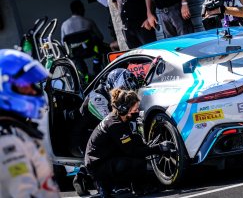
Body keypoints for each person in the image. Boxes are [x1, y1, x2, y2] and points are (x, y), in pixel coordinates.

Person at [84, 88, 175, 197]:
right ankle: (130, 187)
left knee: (137, 140)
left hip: (103, 158)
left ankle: (134, 186)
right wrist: (159, 148)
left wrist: (149, 147)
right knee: (136, 161)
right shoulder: (114, 124)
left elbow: (133, 142)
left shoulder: (119, 118)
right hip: (97, 166)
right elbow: (133, 151)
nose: (137, 111)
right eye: (135, 109)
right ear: (124, 108)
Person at [0, 49, 60, 197]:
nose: (34, 92)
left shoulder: (16, 130)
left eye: (32, 86)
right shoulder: (7, 140)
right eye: (25, 86)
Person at [71, 68, 140, 196]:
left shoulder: (112, 96)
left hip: (96, 137)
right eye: (123, 89)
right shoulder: (97, 98)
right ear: (112, 84)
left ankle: (82, 175)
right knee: (116, 141)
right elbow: (111, 124)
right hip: (82, 140)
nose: (124, 94)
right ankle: (104, 184)